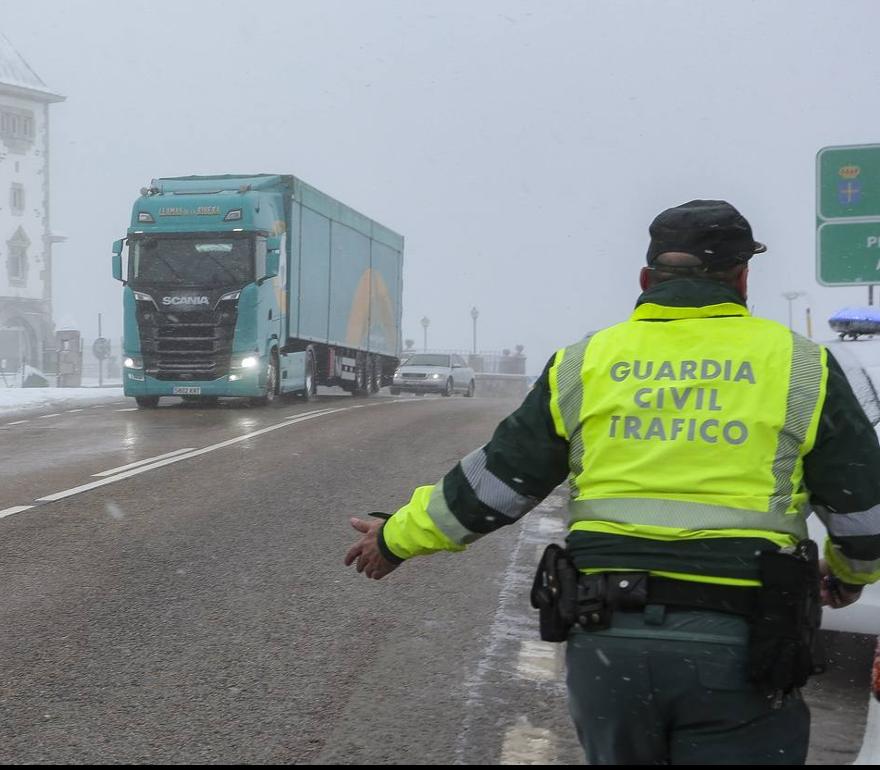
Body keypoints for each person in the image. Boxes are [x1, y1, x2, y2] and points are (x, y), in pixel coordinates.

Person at [344, 200, 880, 765]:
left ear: (646, 279)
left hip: (610, 642)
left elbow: (494, 484)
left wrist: (393, 539)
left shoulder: (585, 363)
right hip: (743, 643)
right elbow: (866, 514)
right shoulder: (802, 366)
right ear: (743, 278)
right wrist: (848, 575)